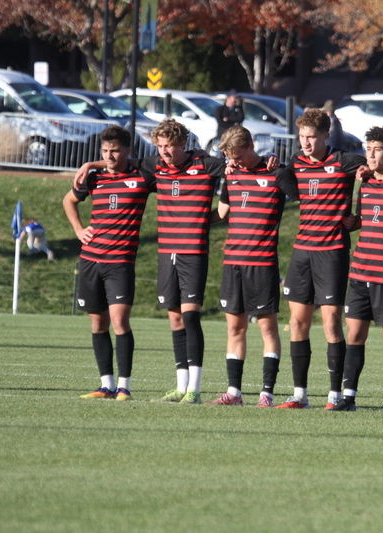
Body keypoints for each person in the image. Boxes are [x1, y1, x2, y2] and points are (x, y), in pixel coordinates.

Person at [76, 118, 227, 404]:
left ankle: (194, 389)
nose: (164, 152)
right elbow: (119, 161)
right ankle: (181, 387)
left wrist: (217, 215)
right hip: (165, 251)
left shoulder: (204, 163)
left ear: (184, 144)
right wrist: (91, 165)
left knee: (191, 314)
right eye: (159, 146)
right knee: (174, 318)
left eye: (169, 146)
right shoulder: (153, 166)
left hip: (193, 251)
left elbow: (236, 171)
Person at [276, 109, 383, 409]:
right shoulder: (297, 162)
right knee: (297, 322)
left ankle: (336, 395)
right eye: (302, 137)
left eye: (312, 137)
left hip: (332, 251)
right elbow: (280, 174)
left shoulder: (345, 161)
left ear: (326, 135)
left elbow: (381, 163)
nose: (306, 143)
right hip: (302, 251)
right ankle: (300, 395)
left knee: (332, 323)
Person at [208, 126, 298, 408]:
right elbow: (221, 213)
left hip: (262, 263)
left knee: (268, 328)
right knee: (235, 329)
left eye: (239, 155)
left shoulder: (275, 172)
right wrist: (188, 221)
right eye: (230, 156)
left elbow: (301, 193)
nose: (236, 160)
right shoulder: (231, 175)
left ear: (251, 146)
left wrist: (278, 161)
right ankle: (233, 392)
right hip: (232, 262)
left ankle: (266, 394)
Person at [63, 125, 155, 401]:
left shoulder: (142, 175)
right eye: (105, 151)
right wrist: (79, 230)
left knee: (119, 321)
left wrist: (92, 161)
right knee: (97, 322)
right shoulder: (93, 178)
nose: (110, 156)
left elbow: (163, 164)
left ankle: (124, 387)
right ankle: (106, 385)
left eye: (115, 150)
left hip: (120, 262)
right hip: (91, 259)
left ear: (127, 150)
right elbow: (69, 201)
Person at [332, 126, 383, 413]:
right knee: (354, 335)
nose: (370, 153)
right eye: (368, 148)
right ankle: (349, 396)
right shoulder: (364, 182)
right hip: (360, 272)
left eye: (377, 149)